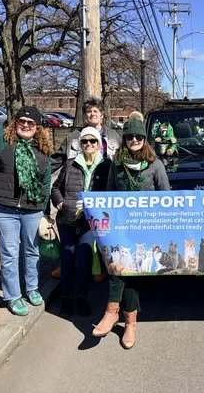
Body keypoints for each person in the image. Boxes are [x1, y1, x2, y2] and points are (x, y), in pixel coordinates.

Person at [92, 117, 170, 349]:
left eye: (138, 137)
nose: (134, 140)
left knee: (131, 273)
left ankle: (120, 316)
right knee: (119, 267)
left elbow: (166, 195)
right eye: (129, 137)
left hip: (146, 229)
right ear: (124, 140)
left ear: (144, 140)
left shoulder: (155, 164)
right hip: (121, 227)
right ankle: (122, 318)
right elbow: (108, 194)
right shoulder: (116, 165)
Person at [0, 106, 52, 316]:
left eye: (31, 123)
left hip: (32, 210)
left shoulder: (43, 151)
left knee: (32, 250)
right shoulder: (4, 141)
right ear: (15, 122)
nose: (26, 125)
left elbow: (46, 184)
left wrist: (45, 213)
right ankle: (12, 296)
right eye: (22, 121)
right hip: (3, 210)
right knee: (10, 253)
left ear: (37, 127)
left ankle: (32, 288)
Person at [50, 97, 122, 279]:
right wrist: (41, 169)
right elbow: (57, 159)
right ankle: (68, 265)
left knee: (102, 232)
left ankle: (101, 267)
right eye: (88, 112)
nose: (92, 114)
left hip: (103, 189)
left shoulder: (114, 136)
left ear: (102, 115)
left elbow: (121, 160)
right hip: (77, 192)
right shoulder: (74, 137)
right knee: (74, 239)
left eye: (95, 111)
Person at [51, 127, 111, 317]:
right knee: (68, 258)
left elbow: (111, 192)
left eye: (92, 141)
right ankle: (67, 299)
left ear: (98, 144)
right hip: (68, 219)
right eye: (84, 141)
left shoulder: (106, 165)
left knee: (83, 260)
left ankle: (82, 299)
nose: (88, 145)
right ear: (80, 144)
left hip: (90, 223)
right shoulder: (70, 164)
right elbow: (55, 188)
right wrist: (59, 202)